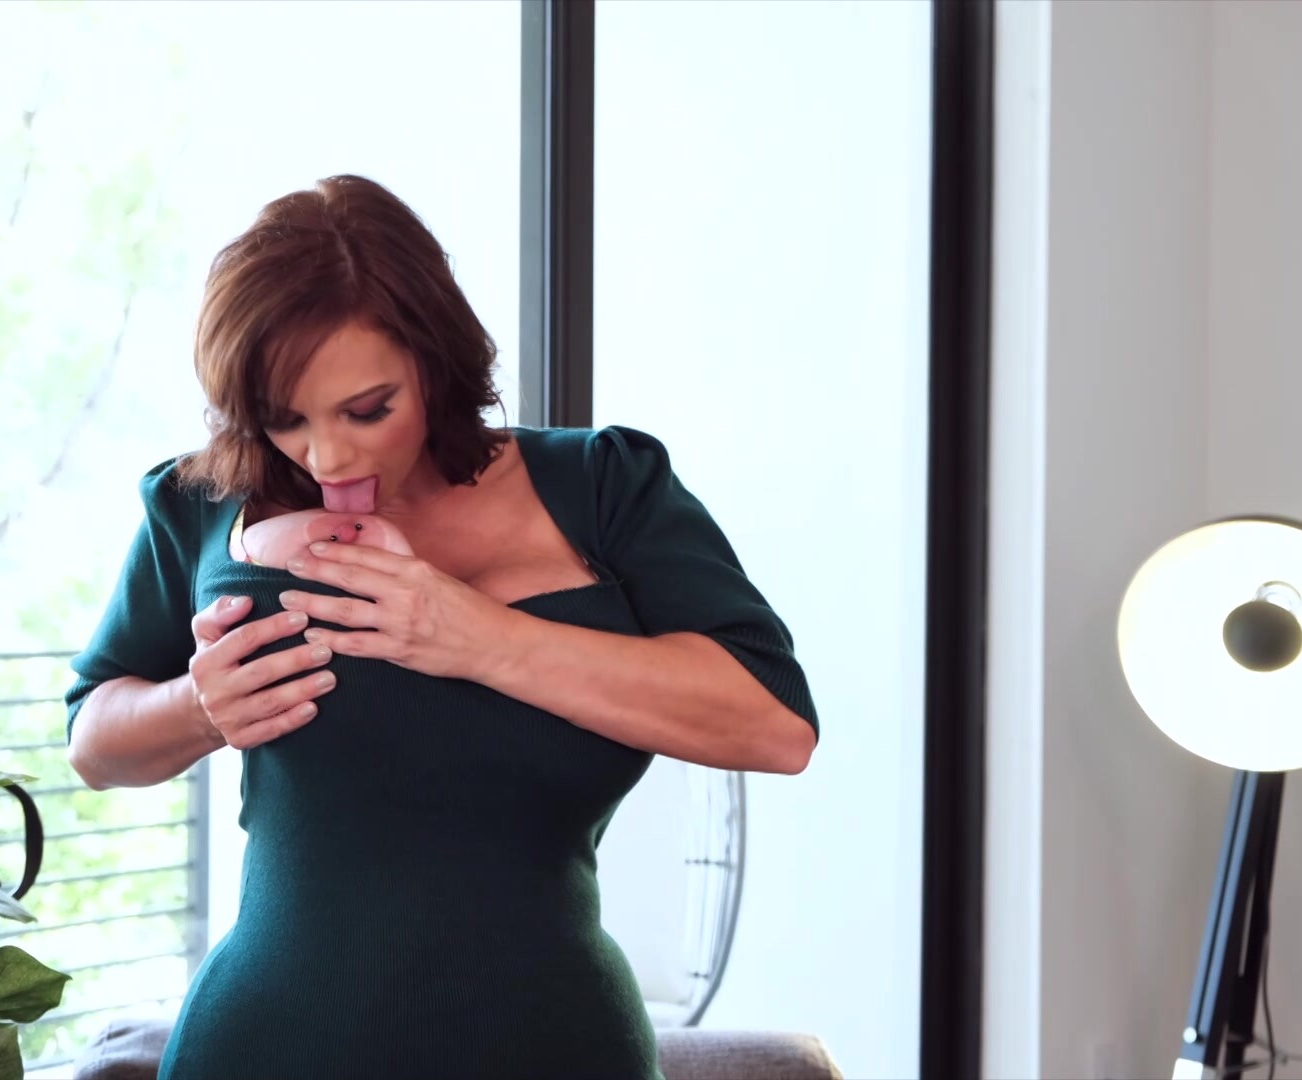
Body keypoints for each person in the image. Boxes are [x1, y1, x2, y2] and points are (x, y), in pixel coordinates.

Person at [64, 175, 818, 1080]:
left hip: (558, 1050)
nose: (326, 455)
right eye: (284, 419)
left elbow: (775, 726)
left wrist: (479, 638)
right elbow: (93, 743)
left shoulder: (605, 488)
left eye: (367, 409)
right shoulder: (206, 504)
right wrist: (197, 707)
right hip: (265, 1048)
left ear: (435, 360)